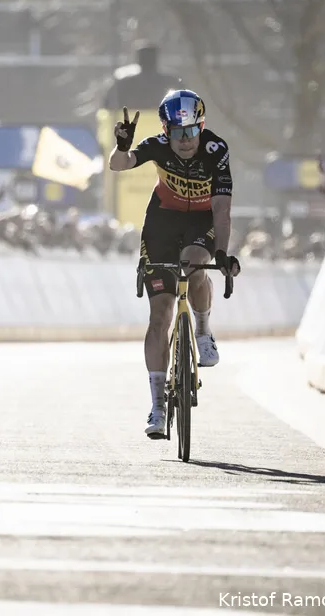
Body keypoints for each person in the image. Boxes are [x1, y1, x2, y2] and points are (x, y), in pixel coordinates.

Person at [108, 88, 241, 439]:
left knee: (194, 262)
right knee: (160, 315)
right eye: (178, 133)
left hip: (203, 221)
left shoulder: (217, 150)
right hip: (163, 220)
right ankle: (157, 404)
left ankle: (203, 329)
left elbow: (222, 210)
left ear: (202, 126)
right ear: (167, 131)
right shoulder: (157, 145)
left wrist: (224, 253)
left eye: (192, 131)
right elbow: (117, 166)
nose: (185, 140)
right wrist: (122, 147)